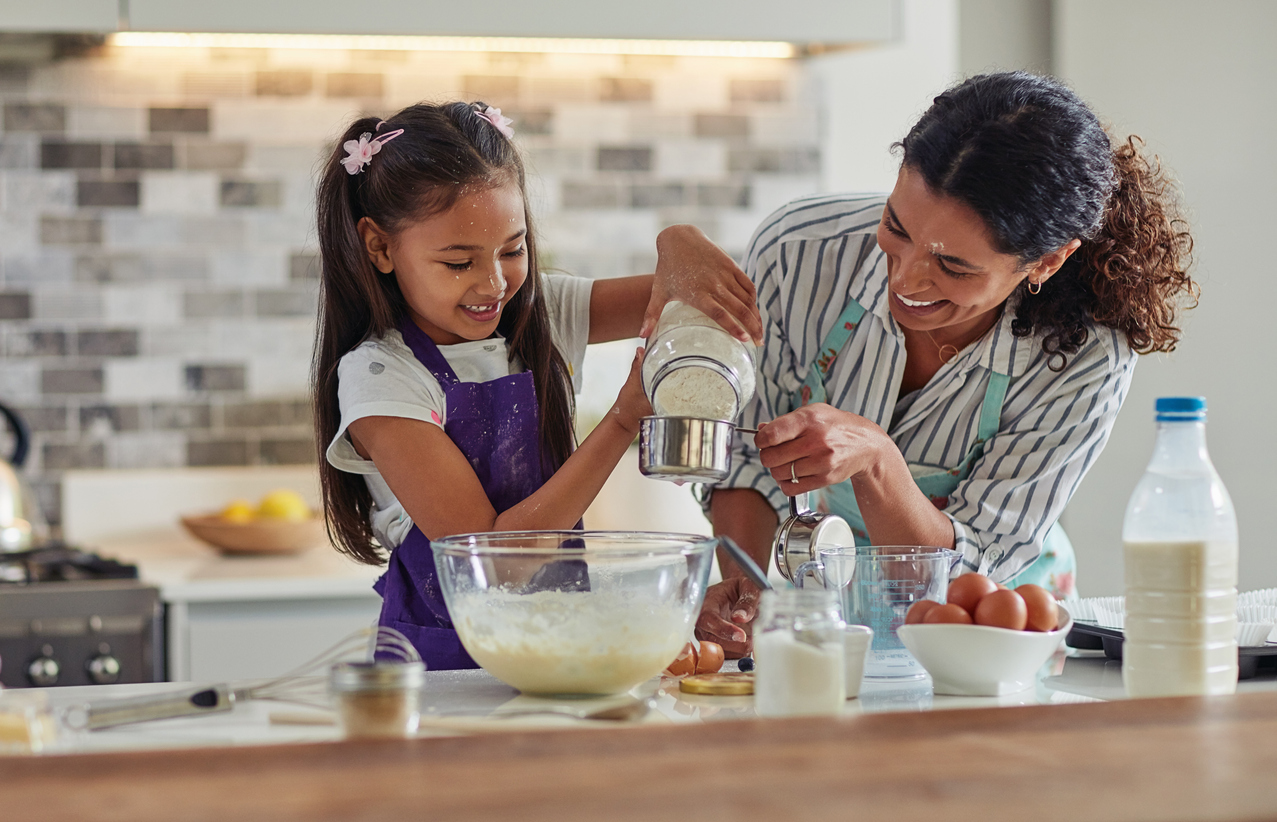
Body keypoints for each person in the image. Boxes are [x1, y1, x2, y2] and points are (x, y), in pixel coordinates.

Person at [662, 72, 1197, 658]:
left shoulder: (1086, 357)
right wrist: (745, 592)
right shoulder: (797, 252)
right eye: (897, 227)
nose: (907, 278)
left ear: (1046, 260)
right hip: (827, 613)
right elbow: (745, 460)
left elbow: (971, 566)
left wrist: (878, 461)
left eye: (953, 266)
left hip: (987, 638)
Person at [312, 101, 762, 669]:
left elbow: (685, 293)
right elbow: (498, 562)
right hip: (445, 673)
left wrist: (679, 238)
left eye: (514, 249)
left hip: (552, 651)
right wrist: (623, 421)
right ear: (380, 247)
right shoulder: (382, 379)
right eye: (458, 263)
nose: (494, 284)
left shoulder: (537, 314)